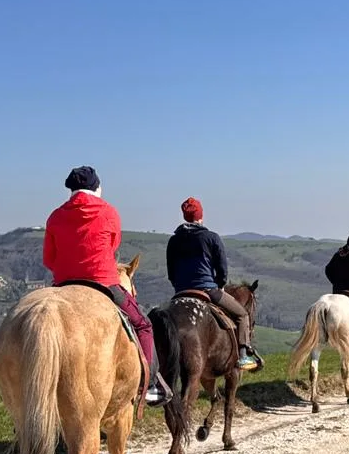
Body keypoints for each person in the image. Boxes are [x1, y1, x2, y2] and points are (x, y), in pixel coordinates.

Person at [42, 165, 156, 387]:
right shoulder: (109, 212)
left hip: (63, 284)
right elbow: (113, 246)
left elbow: (49, 259)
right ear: (96, 187)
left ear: (71, 190)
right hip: (104, 283)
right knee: (143, 325)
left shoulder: (55, 216)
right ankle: (150, 384)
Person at [165, 197, 261, 371]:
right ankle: (243, 357)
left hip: (180, 292)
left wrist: (180, 287)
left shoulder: (173, 241)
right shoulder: (211, 237)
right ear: (200, 216)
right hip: (208, 289)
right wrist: (220, 284)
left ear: (185, 216)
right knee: (241, 315)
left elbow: (171, 272)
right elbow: (222, 269)